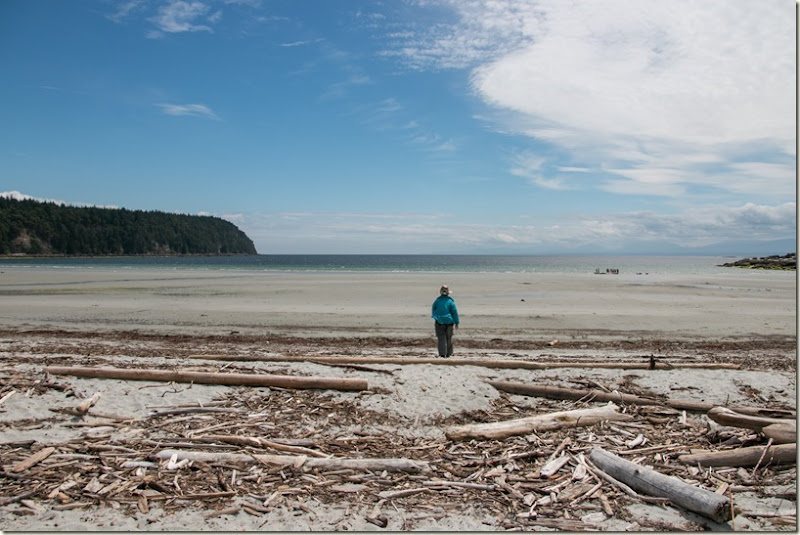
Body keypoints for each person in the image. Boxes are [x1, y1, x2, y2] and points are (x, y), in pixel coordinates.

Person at [431, 284, 459, 357]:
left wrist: (436, 317)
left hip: (439, 321)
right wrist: (456, 322)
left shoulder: (437, 301)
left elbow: (433, 310)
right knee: (449, 338)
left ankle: (442, 353)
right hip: (449, 322)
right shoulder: (450, 301)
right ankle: (449, 353)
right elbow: (454, 312)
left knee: (441, 338)